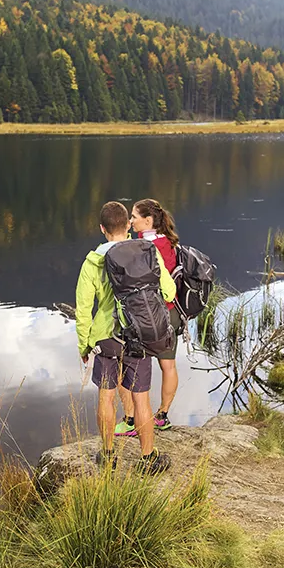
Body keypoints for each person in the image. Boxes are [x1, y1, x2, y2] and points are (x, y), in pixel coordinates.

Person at [75, 200, 176, 474]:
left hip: (106, 339)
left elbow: (83, 311)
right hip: (137, 337)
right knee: (141, 398)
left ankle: (108, 456)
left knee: (106, 397)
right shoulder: (147, 251)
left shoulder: (92, 262)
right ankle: (148, 459)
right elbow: (168, 292)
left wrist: (84, 344)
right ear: (128, 225)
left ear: (102, 228)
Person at [115, 198, 181, 437]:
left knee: (128, 366)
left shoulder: (143, 246)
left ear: (148, 220)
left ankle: (132, 419)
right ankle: (162, 416)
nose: (130, 220)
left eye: (134, 216)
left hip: (147, 316)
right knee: (168, 365)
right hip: (170, 313)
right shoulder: (167, 243)